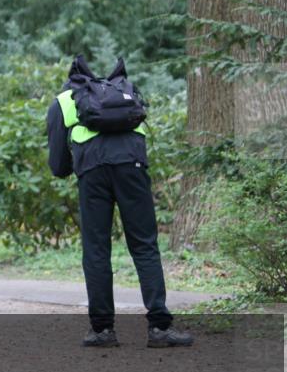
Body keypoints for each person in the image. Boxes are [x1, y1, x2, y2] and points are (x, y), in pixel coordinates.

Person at [46, 55, 193, 349]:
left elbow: (59, 167)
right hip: (131, 167)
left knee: (97, 248)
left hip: (92, 173)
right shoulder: (127, 92)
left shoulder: (64, 100)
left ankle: (102, 331)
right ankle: (160, 329)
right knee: (144, 244)